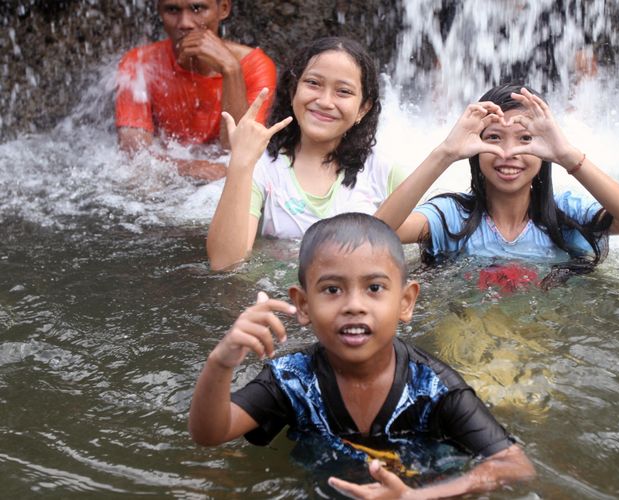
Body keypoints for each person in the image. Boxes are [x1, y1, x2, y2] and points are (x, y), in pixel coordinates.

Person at [189, 213, 536, 498]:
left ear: (405, 301)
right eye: (332, 289)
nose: (354, 305)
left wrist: (416, 497)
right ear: (303, 305)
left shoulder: (432, 387)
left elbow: (515, 465)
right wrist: (222, 360)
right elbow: (211, 432)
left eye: (374, 288)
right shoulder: (292, 380)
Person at [375, 83, 619, 285]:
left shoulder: (564, 216)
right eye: (494, 137)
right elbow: (375, 234)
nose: (508, 153)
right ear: (475, 148)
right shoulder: (452, 216)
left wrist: (567, 155)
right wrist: (445, 153)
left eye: (525, 139)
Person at [206, 36, 405, 271]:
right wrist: (240, 163)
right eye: (313, 83)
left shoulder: (382, 171)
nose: (324, 101)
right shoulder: (263, 167)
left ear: (363, 108)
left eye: (343, 91)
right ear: (293, 91)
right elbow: (225, 263)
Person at [115, 0, 276, 181]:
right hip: (167, 179)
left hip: (223, 182)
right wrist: (189, 166)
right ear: (159, 12)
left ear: (223, 9)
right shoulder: (139, 62)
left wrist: (231, 70)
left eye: (197, 8)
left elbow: (240, 149)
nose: (185, 23)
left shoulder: (255, 66)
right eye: (172, 10)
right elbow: (134, 153)